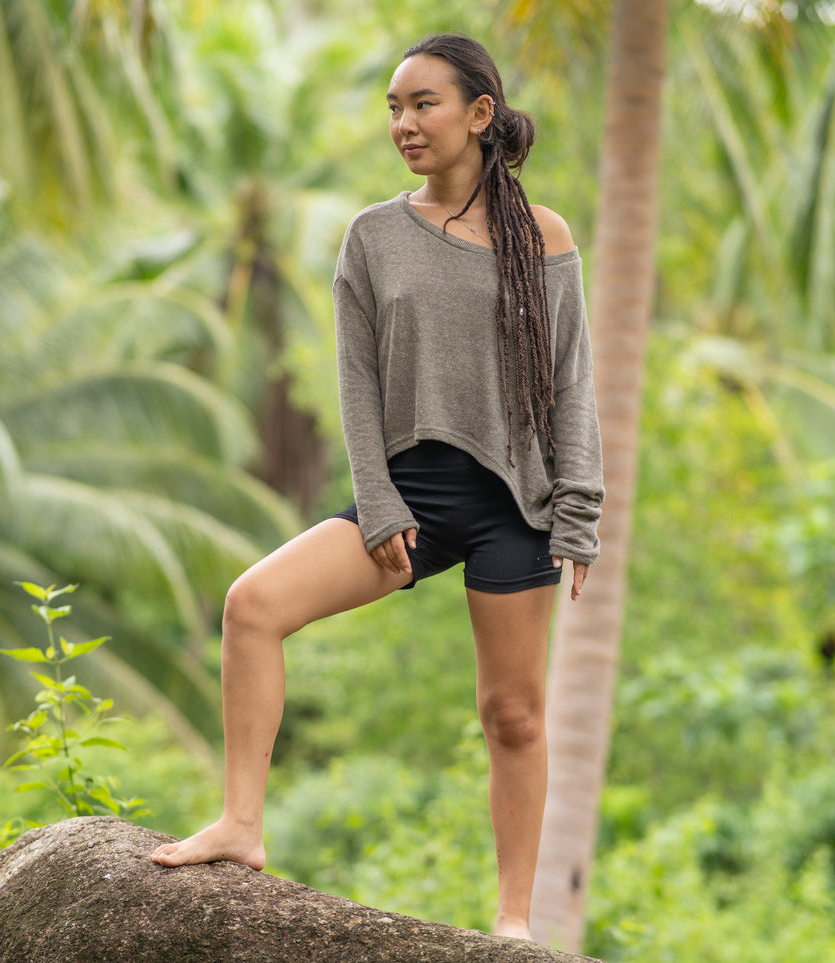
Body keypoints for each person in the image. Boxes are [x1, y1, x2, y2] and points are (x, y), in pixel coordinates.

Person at [151, 32, 603, 942]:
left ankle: (513, 919)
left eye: (422, 104)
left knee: (510, 712)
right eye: (393, 107)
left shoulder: (541, 236)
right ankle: (240, 823)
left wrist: (578, 513)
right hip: (410, 492)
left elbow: (570, 379)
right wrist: (380, 498)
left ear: (479, 114)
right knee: (252, 605)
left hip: (517, 499)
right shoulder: (371, 235)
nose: (403, 123)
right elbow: (354, 385)